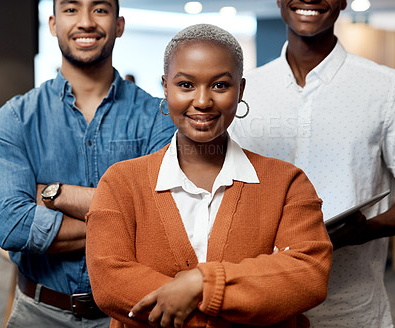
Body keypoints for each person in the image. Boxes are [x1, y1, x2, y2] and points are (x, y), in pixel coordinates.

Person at [85, 23, 332, 328]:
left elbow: (307, 275)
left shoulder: (287, 183)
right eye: (186, 85)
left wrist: (202, 283)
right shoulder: (121, 182)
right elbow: (110, 282)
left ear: (240, 90)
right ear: (165, 87)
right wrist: (231, 304)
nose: (202, 101)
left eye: (219, 85)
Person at [0, 0, 175, 328]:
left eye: (100, 9)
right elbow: (11, 225)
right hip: (39, 315)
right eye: (71, 9)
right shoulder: (15, 118)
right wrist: (125, 222)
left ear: (119, 24)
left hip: (133, 316)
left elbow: (164, 219)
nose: (86, 22)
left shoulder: (159, 115)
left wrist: (49, 195)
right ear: (52, 23)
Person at [230, 0, 395, 327]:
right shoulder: (245, 89)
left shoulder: (385, 89)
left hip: (353, 312)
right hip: (259, 310)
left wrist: (365, 231)